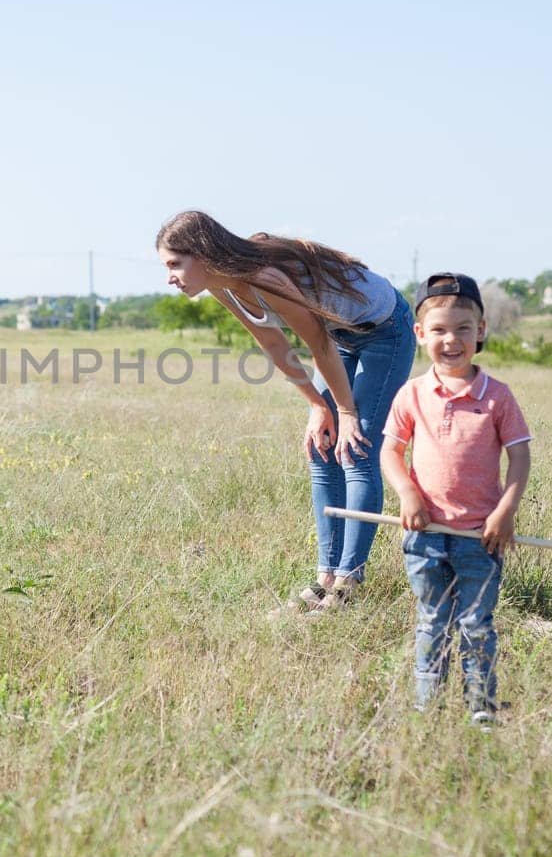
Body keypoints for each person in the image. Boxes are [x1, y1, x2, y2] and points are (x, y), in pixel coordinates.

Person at [156, 210, 416, 611]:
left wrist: (345, 412)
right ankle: (325, 578)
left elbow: (318, 346)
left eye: (175, 264)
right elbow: (273, 343)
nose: (170, 276)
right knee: (321, 447)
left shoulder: (265, 278)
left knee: (356, 446)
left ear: (203, 255)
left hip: (384, 330)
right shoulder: (222, 285)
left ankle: (347, 585)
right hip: (338, 337)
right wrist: (317, 406)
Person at [381, 273, 532, 724]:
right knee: (432, 620)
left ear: (481, 330)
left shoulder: (498, 397)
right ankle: (426, 706)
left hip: (478, 539)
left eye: (463, 328)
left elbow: (520, 457)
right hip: (424, 534)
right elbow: (391, 451)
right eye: (440, 330)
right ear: (420, 334)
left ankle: (480, 705)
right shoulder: (411, 394)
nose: (452, 340)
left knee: (475, 624)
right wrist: (407, 493)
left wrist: (506, 510)